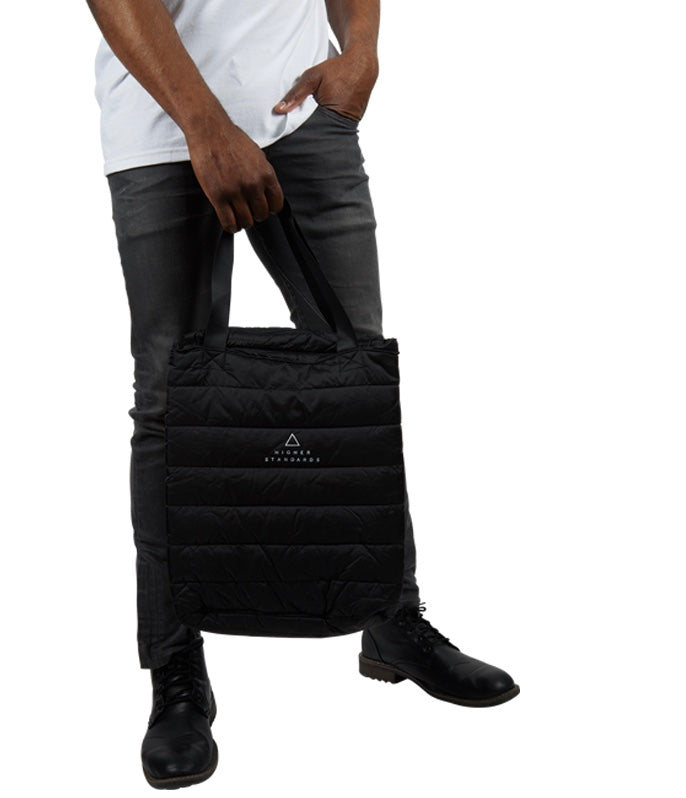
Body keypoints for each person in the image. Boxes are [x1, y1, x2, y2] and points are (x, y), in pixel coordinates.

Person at [86, 0, 519, 789]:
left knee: (357, 384)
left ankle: (392, 620)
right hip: (165, 128)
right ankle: (176, 670)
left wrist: (361, 49)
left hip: (303, 117)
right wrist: (207, 127)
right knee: (172, 406)